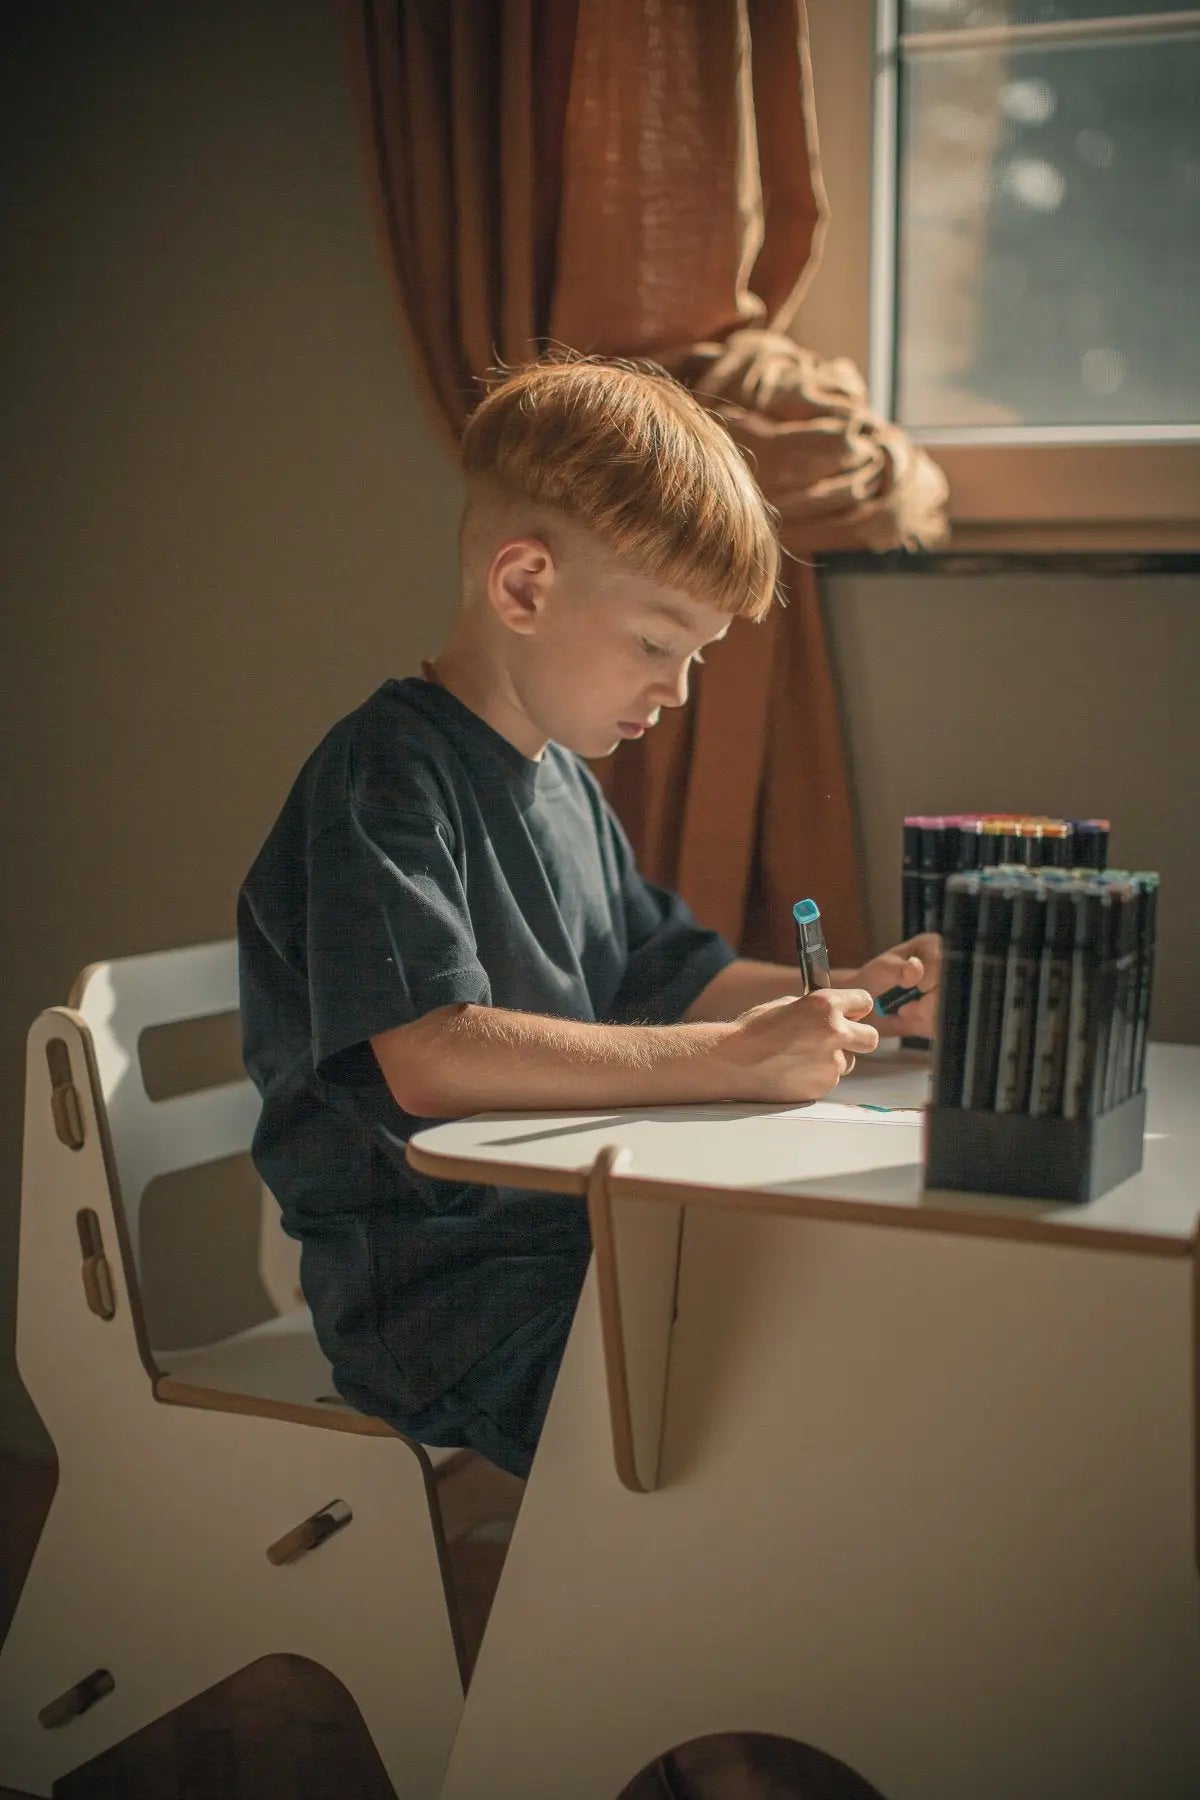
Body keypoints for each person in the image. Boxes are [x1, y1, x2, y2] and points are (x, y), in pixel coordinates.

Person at [237, 354, 939, 1483]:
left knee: (846, 1315)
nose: (677, 688)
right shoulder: (384, 777)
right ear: (524, 588)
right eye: (658, 644)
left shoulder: (562, 780)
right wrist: (729, 1059)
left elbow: (669, 971)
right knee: (789, 1397)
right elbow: (430, 1055)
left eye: (698, 656)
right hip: (445, 1312)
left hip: (574, 1251)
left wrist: (868, 992)